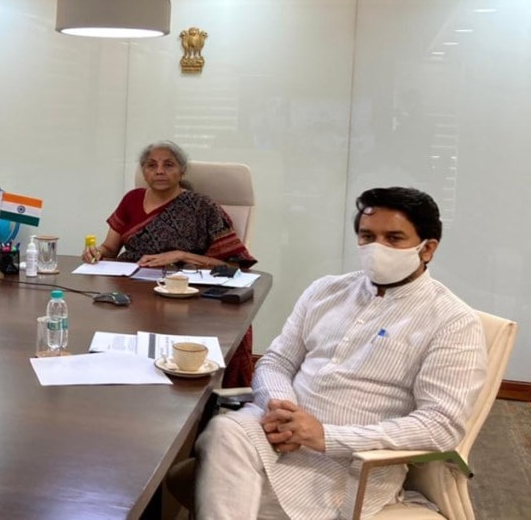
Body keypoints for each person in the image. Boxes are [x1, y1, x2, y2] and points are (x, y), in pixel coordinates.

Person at [192, 187, 487, 519]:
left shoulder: (452, 321)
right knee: (224, 431)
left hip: (348, 465)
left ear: (427, 248)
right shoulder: (326, 290)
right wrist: (282, 409)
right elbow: (277, 361)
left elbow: (441, 425)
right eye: (367, 236)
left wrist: (325, 436)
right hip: (275, 434)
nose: (377, 248)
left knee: (229, 494)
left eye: (393, 238)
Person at [82, 140, 257, 386]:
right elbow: (110, 248)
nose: (160, 171)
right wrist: (96, 252)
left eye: (168, 165)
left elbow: (233, 266)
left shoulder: (202, 207)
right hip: (132, 291)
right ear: (144, 172)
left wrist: (180, 255)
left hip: (184, 295)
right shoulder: (131, 199)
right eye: (152, 165)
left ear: (181, 171)